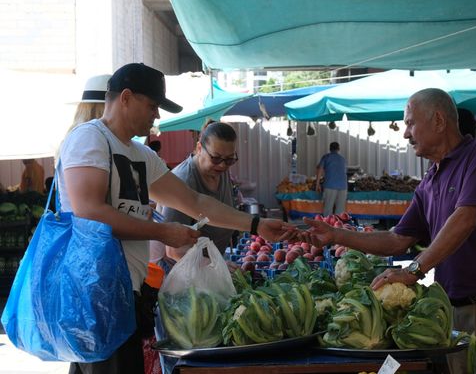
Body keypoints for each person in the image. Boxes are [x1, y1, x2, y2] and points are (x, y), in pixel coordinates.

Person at [57, 63, 296, 374]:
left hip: (123, 289)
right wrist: (162, 232)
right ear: (126, 97)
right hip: (94, 290)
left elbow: (195, 201)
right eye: (153, 105)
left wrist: (256, 225)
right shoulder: (89, 139)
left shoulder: (141, 155)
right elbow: (89, 212)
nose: (156, 115)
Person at [303, 88, 476, 373]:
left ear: (439, 121)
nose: (405, 134)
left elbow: (465, 217)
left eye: (409, 123)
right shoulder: (429, 181)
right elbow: (397, 239)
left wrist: (414, 271)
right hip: (456, 312)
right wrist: (336, 235)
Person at [157, 119, 240, 273]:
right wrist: (216, 266)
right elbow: (174, 251)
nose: (222, 165)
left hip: (209, 271)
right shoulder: (183, 180)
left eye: (229, 160)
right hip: (180, 274)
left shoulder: (220, 171)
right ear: (199, 148)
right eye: (216, 158)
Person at [315, 142, 348, 216]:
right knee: (340, 210)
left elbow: (320, 170)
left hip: (330, 185)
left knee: (328, 209)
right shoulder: (342, 159)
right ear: (339, 149)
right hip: (343, 186)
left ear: (330, 149)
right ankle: (338, 225)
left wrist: (317, 184)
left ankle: (327, 225)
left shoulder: (326, 157)